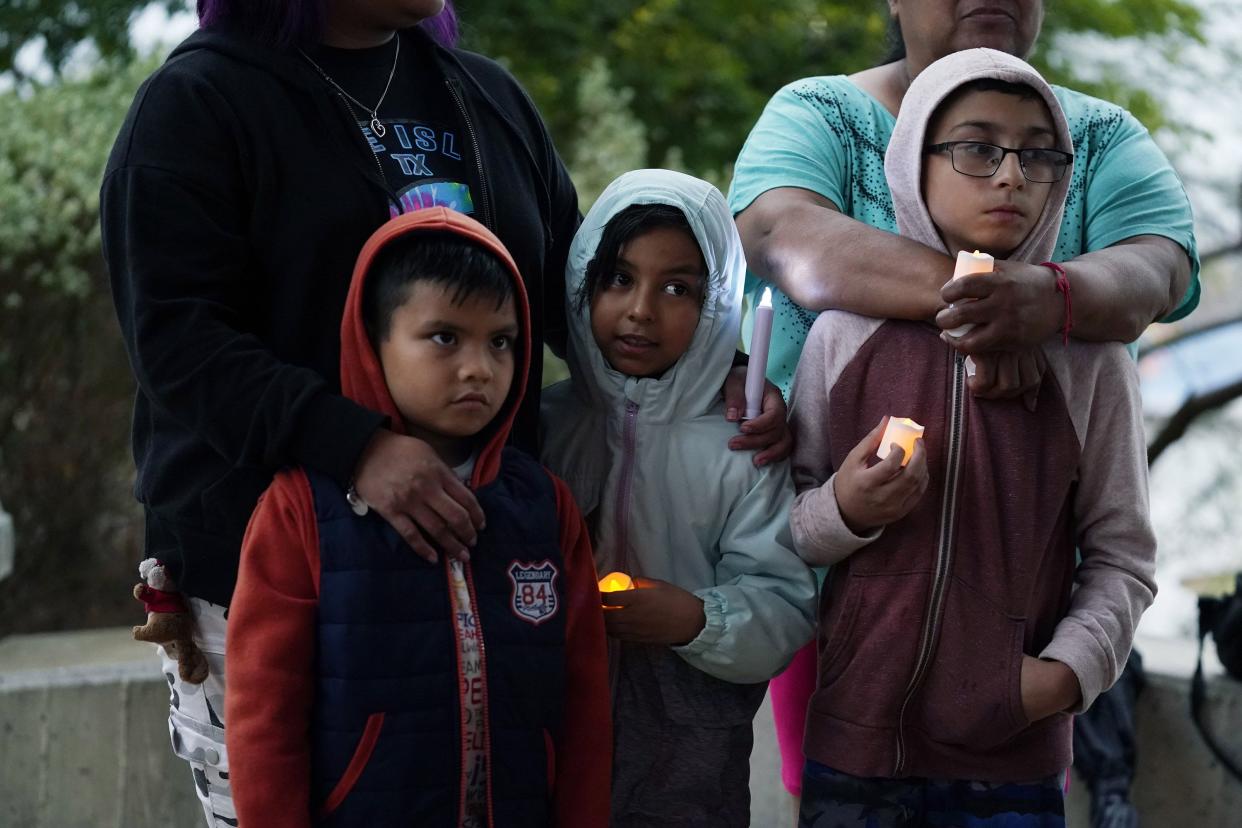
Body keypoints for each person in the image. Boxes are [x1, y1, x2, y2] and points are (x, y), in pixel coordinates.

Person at [100, 2, 785, 822]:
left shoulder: (484, 95)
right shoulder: (198, 102)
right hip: (272, 579)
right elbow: (177, 337)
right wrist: (358, 448)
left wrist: (720, 372)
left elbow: (577, 292)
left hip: (495, 575)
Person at [729, 0, 1198, 795]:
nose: (1012, 175)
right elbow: (783, 236)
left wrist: (1046, 302)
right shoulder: (819, 114)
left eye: (1034, 158)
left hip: (1024, 614)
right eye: (977, 151)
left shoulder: (1102, 136)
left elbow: (1160, 267)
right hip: (831, 604)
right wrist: (990, 304)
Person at [225, 208, 611, 827]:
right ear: (373, 341)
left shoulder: (545, 505)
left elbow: (585, 708)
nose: (479, 368)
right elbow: (263, 718)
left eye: (502, 341)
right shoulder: (300, 510)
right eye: (444, 337)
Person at [540, 169, 818, 827]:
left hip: (690, 764)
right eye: (617, 278)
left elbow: (784, 604)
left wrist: (698, 618)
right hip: (552, 743)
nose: (640, 309)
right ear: (581, 282)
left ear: (720, 302)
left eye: (677, 288)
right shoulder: (543, 426)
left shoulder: (744, 445)